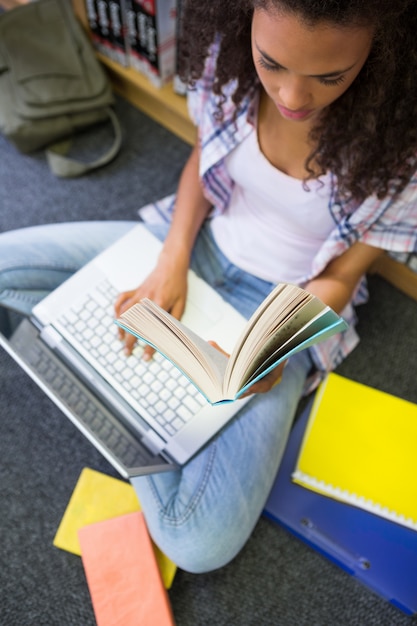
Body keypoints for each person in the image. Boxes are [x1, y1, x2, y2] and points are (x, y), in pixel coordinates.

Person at [1, 0, 417, 573]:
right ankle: (138, 383)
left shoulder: (402, 145)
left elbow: (343, 275)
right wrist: (170, 261)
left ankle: (109, 375)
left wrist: (266, 351)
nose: (292, 98)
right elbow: (205, 158)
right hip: (194, 243)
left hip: (280, 308)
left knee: (197, 544)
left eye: (330, 77)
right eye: (271, 64)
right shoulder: (227, 60)